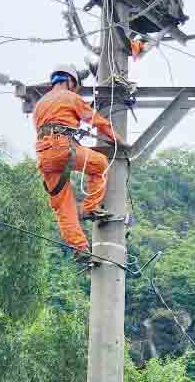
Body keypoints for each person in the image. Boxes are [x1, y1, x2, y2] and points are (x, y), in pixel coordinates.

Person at [33, 64, 121, 264]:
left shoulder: (40, 104)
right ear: (70, 81)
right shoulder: (71, 97)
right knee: (100, 164)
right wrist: (118, 139)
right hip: (62, 147)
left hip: (44, 155)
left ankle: (79, 248)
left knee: (63, 205)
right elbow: (97, 121)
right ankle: (90, 207)